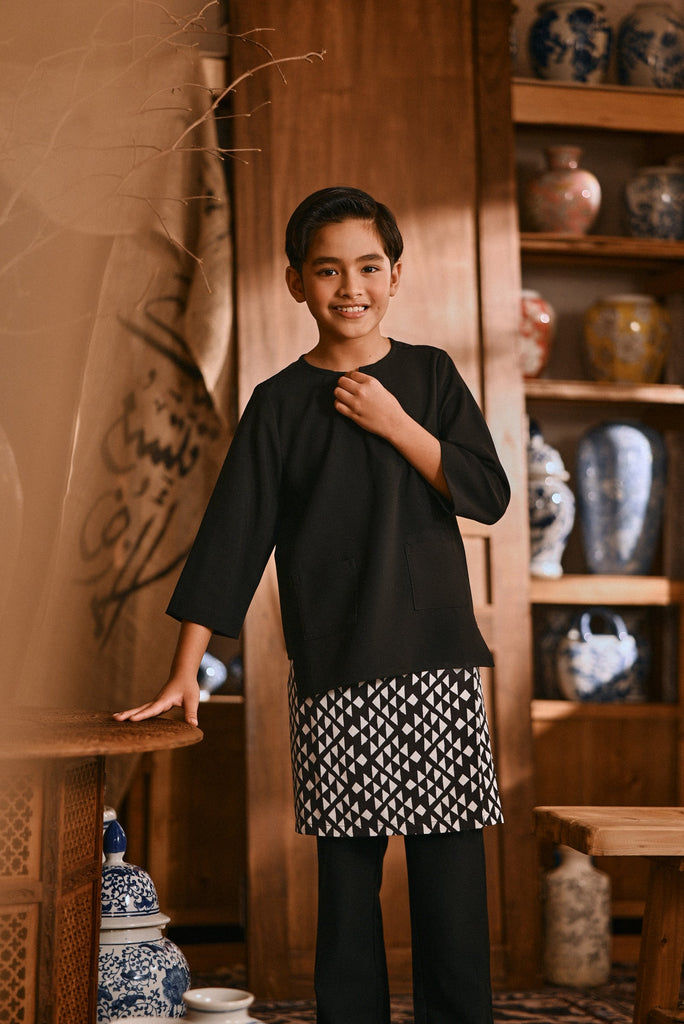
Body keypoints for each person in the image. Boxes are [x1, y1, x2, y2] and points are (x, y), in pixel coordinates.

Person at [114, 186, 510, 1024]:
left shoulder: (430, 375)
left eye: (368, 267)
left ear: (395, 274)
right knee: (347, 891)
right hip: (335, 670)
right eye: (328, 270)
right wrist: (185, 671)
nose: (350, 286)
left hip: (437, 666)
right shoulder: (278, 403)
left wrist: (396, 422)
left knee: (451, 890)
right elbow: (231, 539)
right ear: (296, 282)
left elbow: (487, 493)